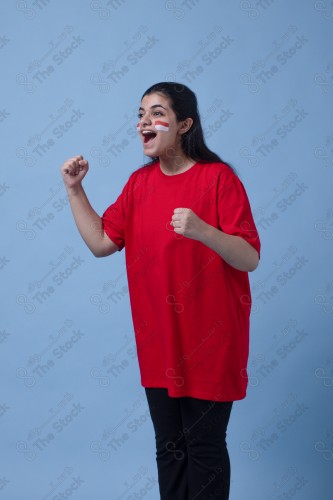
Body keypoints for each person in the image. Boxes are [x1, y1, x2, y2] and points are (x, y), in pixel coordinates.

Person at [60, 82, 261, 500]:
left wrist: (203, 230)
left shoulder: (218, 178)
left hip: (211, 342)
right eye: (140, 114)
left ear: (184, 124)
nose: (144, 123)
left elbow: (249, 257)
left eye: (156, 113)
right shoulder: (138, 185)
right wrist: (75, 190)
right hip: (161, 346)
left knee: (204, 448)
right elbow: (101, 243)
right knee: (169, 450)